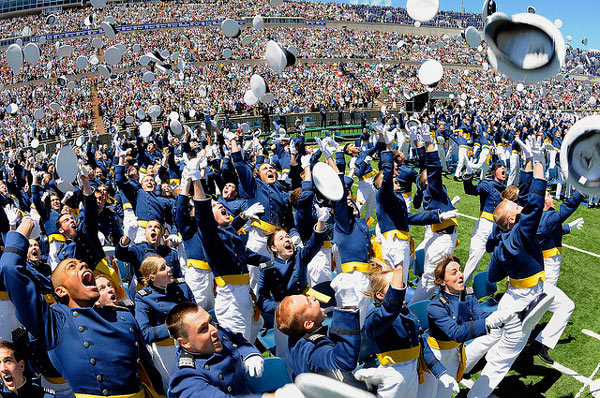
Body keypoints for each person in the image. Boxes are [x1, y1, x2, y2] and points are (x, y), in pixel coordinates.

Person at [0, 217, 165, 397]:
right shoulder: (55, 322)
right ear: (61, 291)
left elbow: (150, 373)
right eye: (72, 266)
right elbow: (10, 269)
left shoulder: (125, 317)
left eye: (83, 264)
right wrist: (24, 227)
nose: (83, 265)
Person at [464, 134, 550, 398]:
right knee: (503, 357)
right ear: (513, 220)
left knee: (490, 337)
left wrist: (529, 161)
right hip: (522, 301)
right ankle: (476, 395)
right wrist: (538, 161)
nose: (520, 207)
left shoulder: (502, 240)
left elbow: (492, 275)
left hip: (514, 296)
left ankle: (461, 367)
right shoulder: (518, 235)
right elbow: (534, 200)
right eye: (516, 208)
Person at [357, 265, 459, 398]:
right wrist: (399, 270)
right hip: (392, 376)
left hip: (412, 373)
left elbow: (421, 345)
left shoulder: (406, 313)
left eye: (401, 284)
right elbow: (389, 311)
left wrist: (440, 372)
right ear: (380, 295)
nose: (401, 289)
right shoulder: (375, 317)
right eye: (394, 285)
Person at [423, 256, 512, 398]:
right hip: (437, 354)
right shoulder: (436, 306)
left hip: (455, 353)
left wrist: (502, 317)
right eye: (454, 272)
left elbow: (480, 316)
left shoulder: (467, 295)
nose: (460, 275)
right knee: (427, 394)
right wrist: (489, 322)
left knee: (444, 394)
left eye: (460, 270)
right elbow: (456, 332)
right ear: (441, 281)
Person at [167, 302, 297, 398]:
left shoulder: (214, 334)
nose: (214, 330)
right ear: (184, 343)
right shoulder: (185, 376)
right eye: (203, 329)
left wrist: (249, 354)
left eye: (210, 322)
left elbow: (237, 339)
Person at [529, 189, 585, 364]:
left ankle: (530, 336)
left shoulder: (540, 217)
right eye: (548, 195)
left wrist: (568, 227)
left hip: (546, 263)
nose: (552, 196)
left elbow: (551, 228)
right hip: (549, 266)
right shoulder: (549, 217)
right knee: (547, 303)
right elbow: (567, 207)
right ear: (543, 202)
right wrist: (582, 191)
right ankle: (540, 344)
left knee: (539, 303)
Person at [135, 255, 195, 391]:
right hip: (166, 349)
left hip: (192, 341)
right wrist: (175, 327)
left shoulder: (182, 285)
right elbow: (144, 333)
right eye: (163, 268)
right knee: (176, 387)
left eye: (167, 265)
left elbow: (196, 310)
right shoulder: (144, 297)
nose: (169, 269)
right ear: (152, 277)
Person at [275, 286, 360, 377]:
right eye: (309, 302)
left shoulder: (295, 336)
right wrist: (348, 308)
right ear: (308, 324)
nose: (313, 297)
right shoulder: (314, 350)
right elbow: (343, 363)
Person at [461, 162, 506, 282]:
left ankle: (484, 288)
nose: (504, 169)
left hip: (498, 230)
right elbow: (472, 190)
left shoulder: (505, 190)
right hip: (485, 226)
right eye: (500, 167)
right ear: (493, 172)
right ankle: (458, 289)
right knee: (474, 260)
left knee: (498, 262)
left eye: (504, 167)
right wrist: (468, 177)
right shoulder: (488, 184)